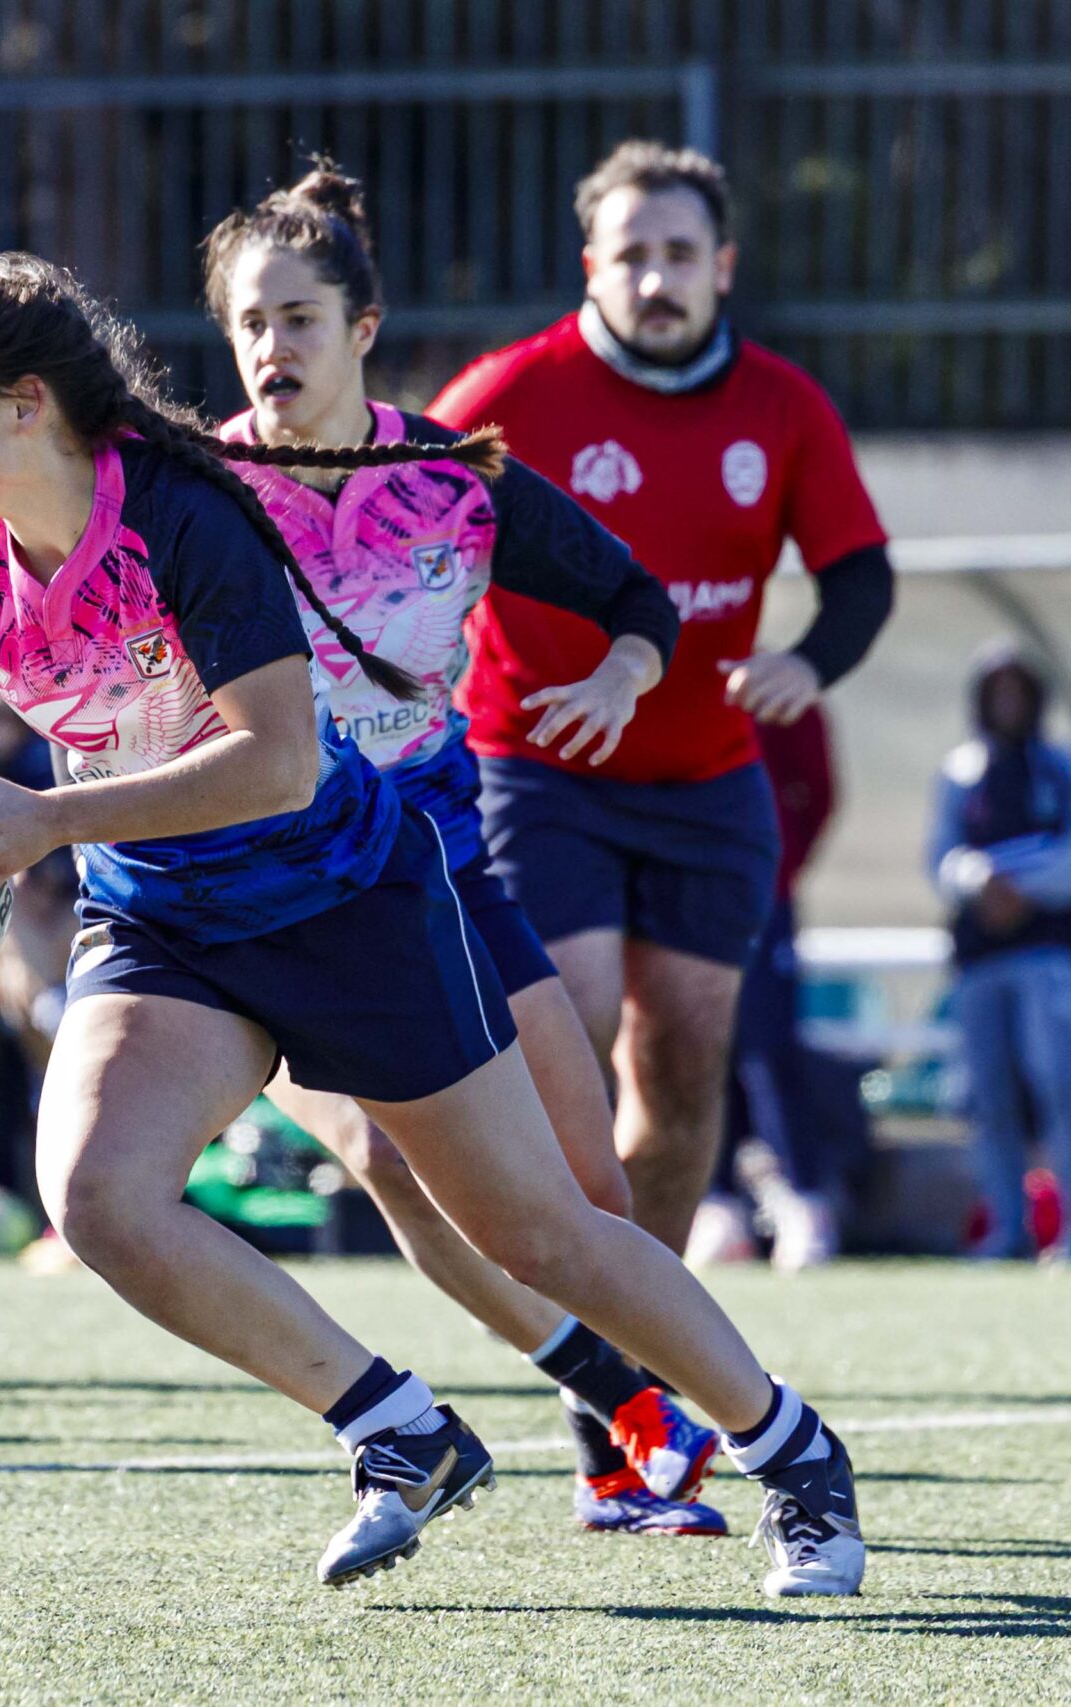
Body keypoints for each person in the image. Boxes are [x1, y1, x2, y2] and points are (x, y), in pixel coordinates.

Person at [0, 251, 865, 1596]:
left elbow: (277, 765)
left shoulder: (184, 520)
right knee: (97, 1197)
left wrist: (47, 819)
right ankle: (397, 1429)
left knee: (541, 1231)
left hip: (348, 901)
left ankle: (792, 1453)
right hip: (164, 924)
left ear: (28, 404)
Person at [203, 162, 728, 1537]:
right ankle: (622, 1405)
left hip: (438, 864)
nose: (272, 347)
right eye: (251, 322)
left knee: (587, 1186)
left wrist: (620, 674)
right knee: (389, 1155)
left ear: (362, 329)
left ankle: (613, 1453)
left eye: (300, 318)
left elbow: (636, 597)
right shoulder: (192, 492)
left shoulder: (451, 479)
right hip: (268, 886)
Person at [427, 140, 896, 1252]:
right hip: (536, 771)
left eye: (680, 254)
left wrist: (806, 664)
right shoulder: (506, 396)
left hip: (708, 779)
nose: (656, 278)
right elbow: (399, 532)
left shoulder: (783, 406)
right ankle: (555, 1294)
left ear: (721, 266)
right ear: (591, 265)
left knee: (684, 1069)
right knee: (574, 1023)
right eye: (631, 254)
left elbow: (860, 577)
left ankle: (639, 1317)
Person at [699, 705, 866, 1270]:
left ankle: (804, 1199)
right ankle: (716, 1205)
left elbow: (816, 791)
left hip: (760, 894)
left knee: (769, 1048)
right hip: (684, 898)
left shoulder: (774, 686)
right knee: (697, 1048)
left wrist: (781, 862)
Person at [930, 642, 1071, 1263]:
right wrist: (978, 883)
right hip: (980, 959)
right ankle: (1007, 1228)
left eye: (1019, 690)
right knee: (988, 1096)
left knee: (1057, 1084)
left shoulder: (1058, 770)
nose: (1008, 702)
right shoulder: (960, 773)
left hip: (1046, 956)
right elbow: (941, 860)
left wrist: (1023, 889)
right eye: (998, 691)